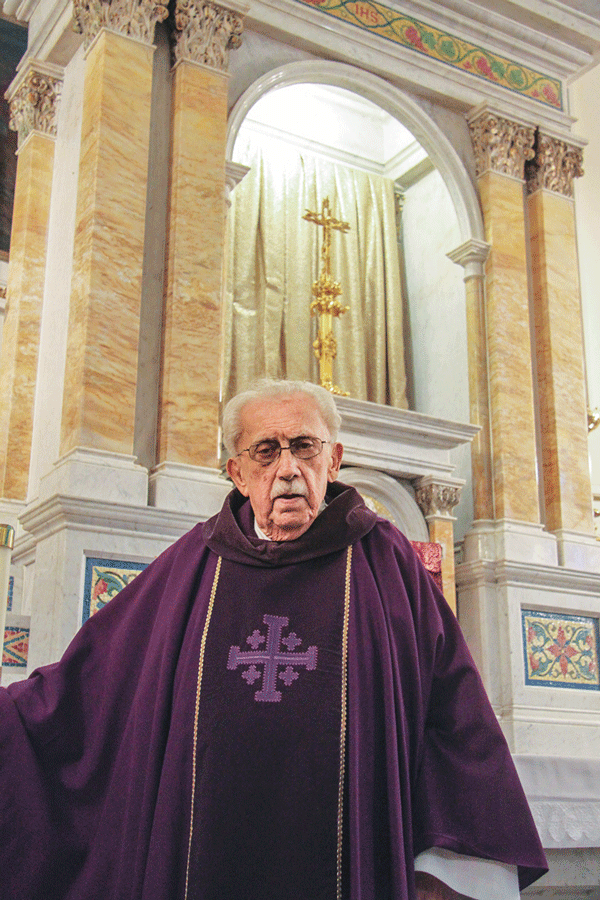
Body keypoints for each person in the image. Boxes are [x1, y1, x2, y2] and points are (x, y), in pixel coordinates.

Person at [0, 379, 547, 900]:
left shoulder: (385, 561)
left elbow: (452, 709)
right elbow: (94, 682)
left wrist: (443, 860)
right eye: (266, 451)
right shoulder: (194, 562)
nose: (287, 469)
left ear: (332, 460)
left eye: (304, 447)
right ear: (237, 472)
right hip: (205, 846)